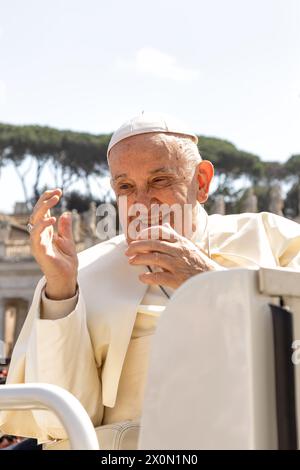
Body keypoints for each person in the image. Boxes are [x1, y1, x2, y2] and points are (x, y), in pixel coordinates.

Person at [0, 112, 299, 450]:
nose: (141, 203)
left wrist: (209, 280)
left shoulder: (274, 238)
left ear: (201, 182)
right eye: (126, 187)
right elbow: (59, 422)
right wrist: (61, 291)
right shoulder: (83, 272)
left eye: (160, 181)